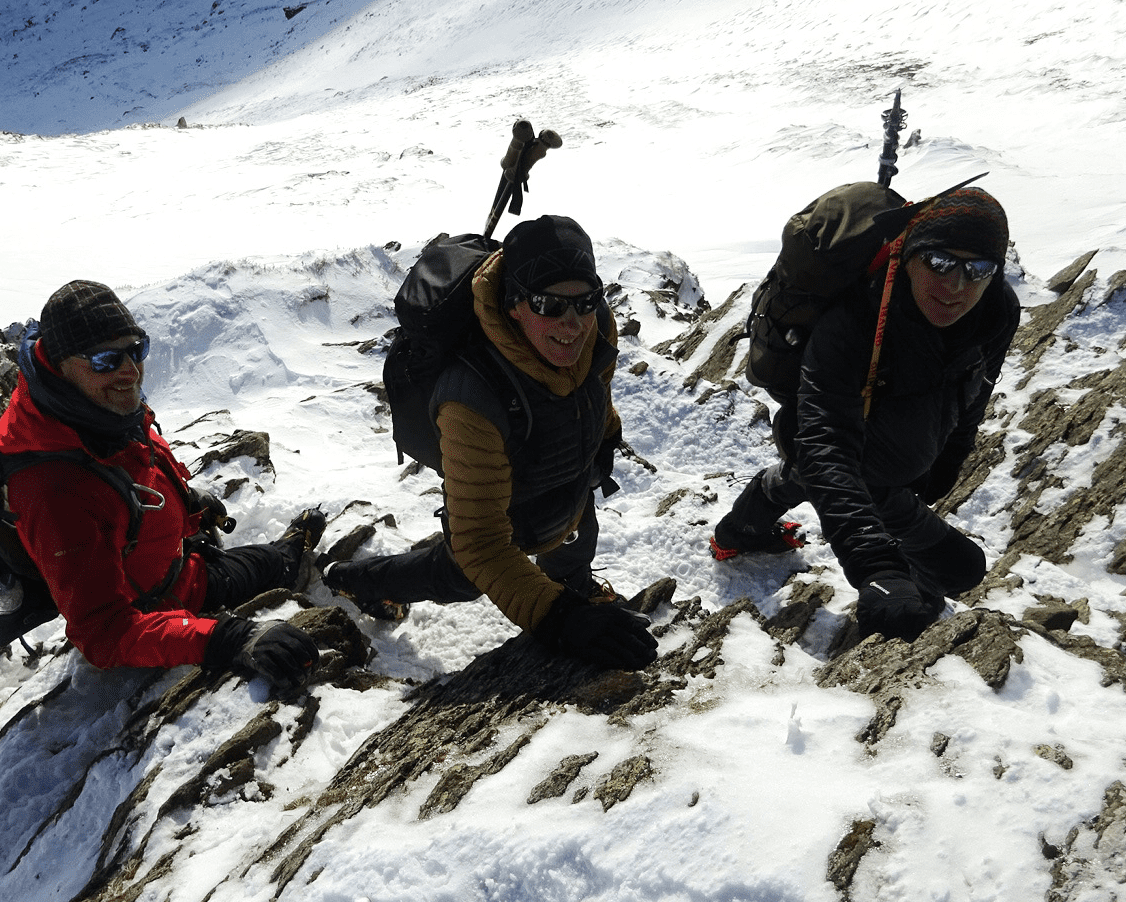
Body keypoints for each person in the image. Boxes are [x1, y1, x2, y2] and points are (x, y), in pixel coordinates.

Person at [323, 215, 657, 669]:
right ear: (515, 304)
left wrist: (604, 435)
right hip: (504, 512)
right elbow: (480, 542)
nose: (573, 324)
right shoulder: (470, 396)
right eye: (549, 304)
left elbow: (596, 383)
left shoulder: (595, 322)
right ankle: (358, 581)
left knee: (576, 535)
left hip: (569, 479)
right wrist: (559, 618)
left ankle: (575, 585)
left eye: (585, 301)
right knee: (460, 575)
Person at [712, 186, 1020, 641]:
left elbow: (974, 396)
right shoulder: (856, 319)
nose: (956, 285)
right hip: (851, 466)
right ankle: (911, 591)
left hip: (883, 461)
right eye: (939, 262)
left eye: (978, 268)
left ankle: (737, 532)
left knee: (800, 476)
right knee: (961, 568)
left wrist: (944, 468)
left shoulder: (996, 312)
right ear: (909, 256)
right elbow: (826, 442)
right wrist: (878, 568)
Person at [0, 279, 325, 684]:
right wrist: (225, 639)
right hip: (164, 604)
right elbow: (104, 634)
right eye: (105, 359)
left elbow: (130, 474)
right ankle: (288, 556)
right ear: (60, 366)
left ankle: (281, 554)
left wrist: (187, 500)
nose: (130, 370)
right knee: (271, 565)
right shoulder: (53, 490)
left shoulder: (88, 411)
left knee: (262, 561)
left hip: (176, 557)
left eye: (136, 349)